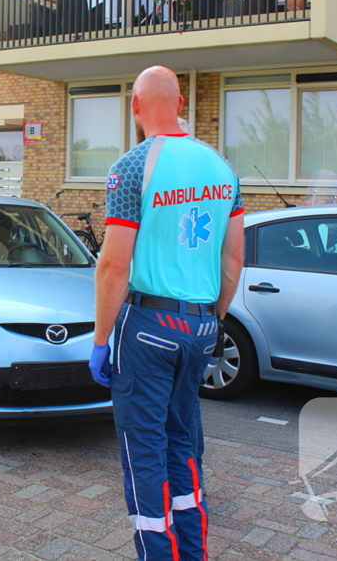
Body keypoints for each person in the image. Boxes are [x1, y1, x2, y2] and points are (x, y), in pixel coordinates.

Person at [90, 66, 245, 561]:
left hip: (149, 328)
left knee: (145, 454)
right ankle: (192, 551)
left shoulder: (132, 167)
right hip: (200, 324)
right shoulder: (221, 167)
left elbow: (114, 266)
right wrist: (214, 319)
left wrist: (99, 340)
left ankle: (159, 554)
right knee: (184, 442)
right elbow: (234, 258)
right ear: (180, 104)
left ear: (135, 107)